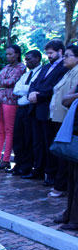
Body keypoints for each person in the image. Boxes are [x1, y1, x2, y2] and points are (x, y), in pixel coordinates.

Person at [22, 39, 68, 185]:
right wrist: (31, 93)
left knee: (48, 142)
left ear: (60, 52)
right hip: (35, 108)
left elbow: (55, 87)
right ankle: (38, 169)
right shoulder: (45, 67)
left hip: (48, 109)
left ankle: (50, 172)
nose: (48, 56)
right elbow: (35, 83)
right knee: (37, 142)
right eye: (47, 53)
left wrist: (39, 95)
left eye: (51, 53)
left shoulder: (64, 67)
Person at [0, 45, 26, 170]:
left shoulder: (21, 67)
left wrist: (1, 83)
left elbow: (11, 82)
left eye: (10, 54)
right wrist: (2, 83)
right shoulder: (7, 67)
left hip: (11, 102)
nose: (8, 56)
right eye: (7, 54)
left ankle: (6, 159)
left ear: (17, 54)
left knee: (9, 130)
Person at [47, 44, 78, 198]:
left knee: (67, 154)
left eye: (68, 56)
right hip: (58, 116)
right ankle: (60, 184)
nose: (64, 59)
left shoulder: (77, 72)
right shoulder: (68, 72)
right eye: (64, 55)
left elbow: (69, 99)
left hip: (68, 119)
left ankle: (61, 186)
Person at [8, 50, 42, 176]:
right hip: (20, 108)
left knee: (28, 138)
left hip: (30, 108)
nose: (27, 62)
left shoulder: (41, 72)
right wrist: (26, 90)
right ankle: (19, 163)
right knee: (18, 137)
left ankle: (27, 166)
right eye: (26, 59)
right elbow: (16, 89)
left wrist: (27, 90)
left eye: (30, 59)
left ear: (37, 59)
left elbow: (34, 88)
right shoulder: (26, 75)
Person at [53, 88, 78, 230]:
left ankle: (75, 220)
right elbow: (65, 100)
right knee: (72, 178)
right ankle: (69, 214)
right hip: (73, 134)